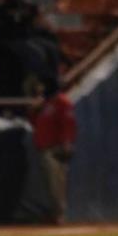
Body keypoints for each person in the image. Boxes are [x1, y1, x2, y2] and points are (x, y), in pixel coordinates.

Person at [25, 73, 76, 224]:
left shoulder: (62, 102)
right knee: (49, 185)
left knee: (57, 184)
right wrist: (34, 110)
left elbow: (68, 123)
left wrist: (67, 143)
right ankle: (53, 214)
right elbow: (34, 123)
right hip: (43, 149)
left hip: (56, 150)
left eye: (43, 86)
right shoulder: (46, 104)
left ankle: (59, 215)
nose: (41, 89)